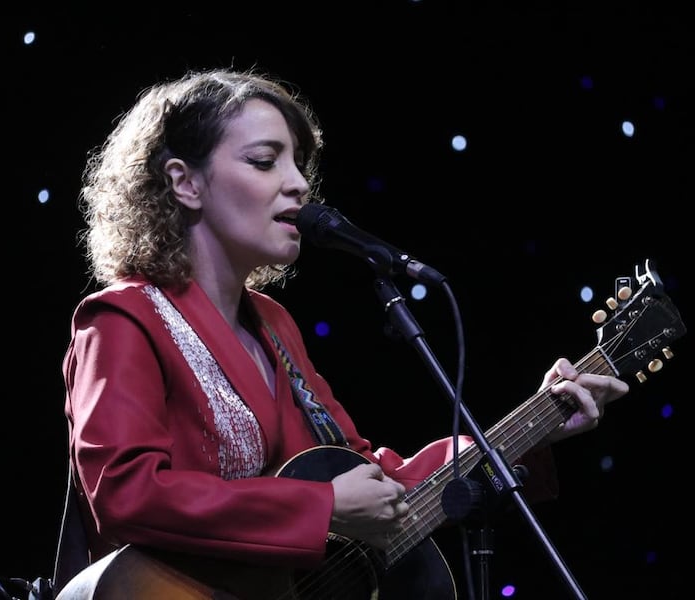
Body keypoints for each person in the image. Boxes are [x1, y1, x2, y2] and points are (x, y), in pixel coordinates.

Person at [58, 67, 629, 599]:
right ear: (184, 182)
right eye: (265, 161)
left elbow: (377, 482)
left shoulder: (274, 325)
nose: (299, 184)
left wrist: (534, 427)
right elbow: (126, 494)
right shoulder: (123, 318)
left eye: (299, 163)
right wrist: (320, 507)